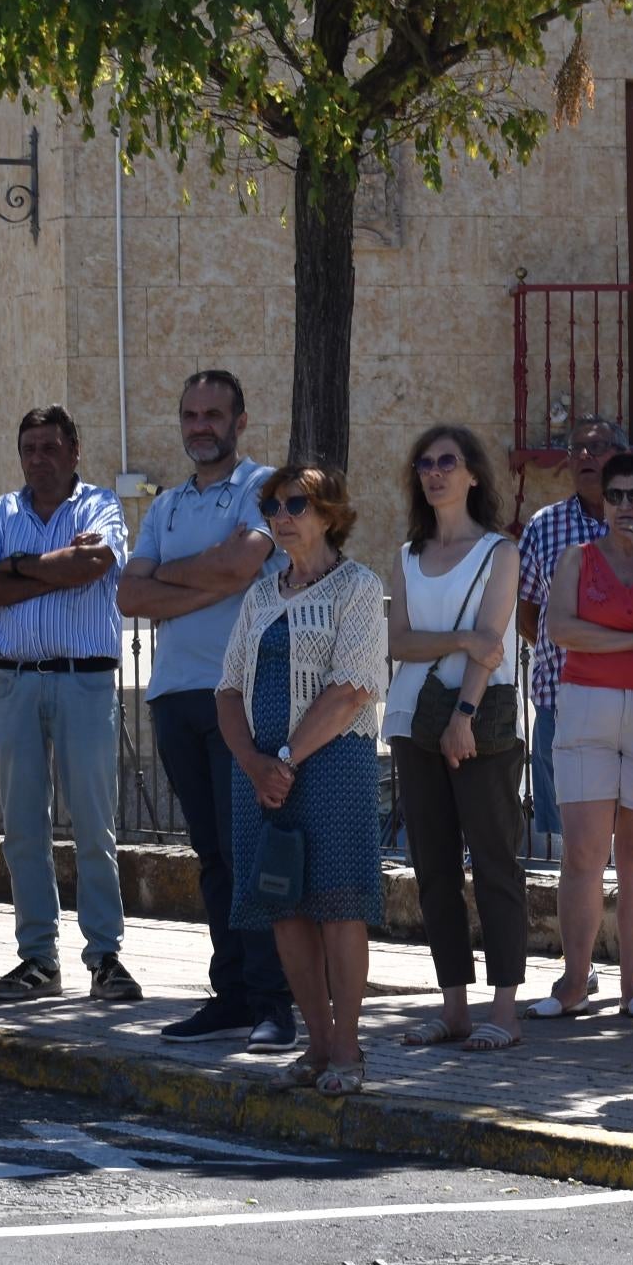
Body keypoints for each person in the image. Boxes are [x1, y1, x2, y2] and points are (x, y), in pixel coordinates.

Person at [116, 370, 295, 1049]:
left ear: (240, 421)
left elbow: (246, 563)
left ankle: (273, 1000)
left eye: (213, 414)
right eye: (190, 414)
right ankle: (231, 997)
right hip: (173, 696)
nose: (200, 426)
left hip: (240, 696)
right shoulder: (164, 507)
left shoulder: (263, 487)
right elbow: (129, 599)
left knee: (251, 849)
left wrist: (170, 575)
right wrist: (209, 574)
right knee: (212, 857)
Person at [515, 416, 633, 999]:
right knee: (582, 851)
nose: (624, 504)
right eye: (616, 495)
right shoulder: (572, 550)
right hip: (579, 703)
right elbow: (557, 627)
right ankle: (576, 980)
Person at [216, 465, 388, 1095]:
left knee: (339, 905)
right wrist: (254, 763)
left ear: (329, 512)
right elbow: (229, 688)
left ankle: (347, 1047)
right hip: (260, 772)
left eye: (296, 503)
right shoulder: (260, 593)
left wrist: (285, 759)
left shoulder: (358, 587)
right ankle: (316, 1042)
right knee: (283, 906)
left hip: (331, 766)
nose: (281, 515)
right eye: (272, 505)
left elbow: (350, 689)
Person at [0, 405, 135, 1006]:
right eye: (29, 448)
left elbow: (94, 563)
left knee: (94, 824)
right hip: (13, 682)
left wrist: (15, 568)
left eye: (50, 447)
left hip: (83, 682)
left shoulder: (99, 507)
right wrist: (50, 570)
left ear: (74, 450)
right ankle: (37, 958)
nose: (38, 458)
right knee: (22, 828)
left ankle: (105, 957)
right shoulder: (2, 512)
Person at [387, 424, 530, 1052]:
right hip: (410, 722)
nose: (435, 472)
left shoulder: (499, 552)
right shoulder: (406, 554)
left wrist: (463, 714)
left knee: (496, 864)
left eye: (448, 462)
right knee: (433, 870)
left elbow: (492, 642)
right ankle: (454, 1007)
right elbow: (397, 642)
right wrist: (458, 639)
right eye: (425, 463)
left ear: (473, 472)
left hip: (477, 724)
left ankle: (505, 1009)